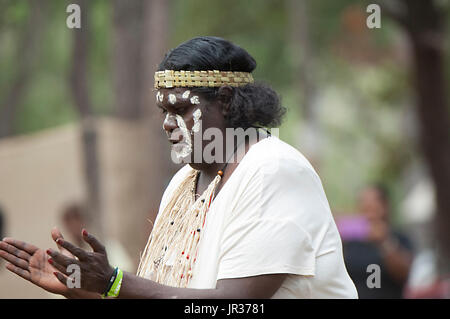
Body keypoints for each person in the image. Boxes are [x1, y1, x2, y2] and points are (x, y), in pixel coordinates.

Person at [0, 36, 357, 299]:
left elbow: (235, 303)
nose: (168, 124)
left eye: (181, 109)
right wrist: (83, 289)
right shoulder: (182, 183)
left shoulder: (272, 171)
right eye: (164, 113)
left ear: (227, 102)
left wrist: (114, 282)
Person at [340, 184, 414, 298]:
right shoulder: (351, 241)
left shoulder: (398, 238)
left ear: (385, 206)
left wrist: (384, 241)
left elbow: (404, 273)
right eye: (362, 203)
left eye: (372, 204)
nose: (367, 208)